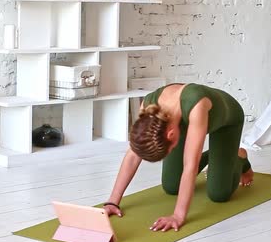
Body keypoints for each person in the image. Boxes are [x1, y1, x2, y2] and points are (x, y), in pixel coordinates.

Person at [102, 83, 254, 232]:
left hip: (227, 121)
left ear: (171, 135)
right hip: (182, 122)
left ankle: (240, 157)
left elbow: (190, 166)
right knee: (171, 186)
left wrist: (178, 216)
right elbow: (133, 155)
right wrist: (113, 202)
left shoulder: (196, 105)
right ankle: (214, 157)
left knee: (219, 193)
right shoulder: (149, 108)